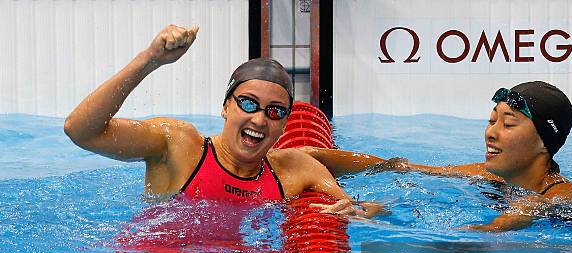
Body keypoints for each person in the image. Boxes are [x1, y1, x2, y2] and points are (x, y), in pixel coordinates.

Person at [64, 24, 380, 217]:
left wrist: (361, 211)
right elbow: (80, 131)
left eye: (275, 111)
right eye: (248, 103)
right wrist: (150, 60)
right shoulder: (178, 145)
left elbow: (369, 207)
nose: (259, 119)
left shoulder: (296, 168)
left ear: (285, 125)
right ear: (225, 107)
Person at [304, 81, 572, 231]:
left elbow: (488, 232)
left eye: (508, 124)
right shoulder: (489, 175)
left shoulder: (558, 198)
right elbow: (402, 167)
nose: (491, 133)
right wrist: (311, 154)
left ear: (544, 142)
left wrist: (383, 222)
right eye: (491, 120)